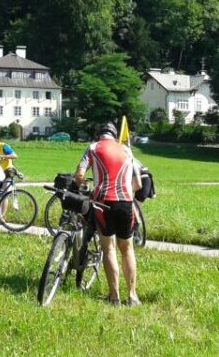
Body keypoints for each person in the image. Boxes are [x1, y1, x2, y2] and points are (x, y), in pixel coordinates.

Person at [74, 122, 142, 307]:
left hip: (103, 202)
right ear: (113, 135)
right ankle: (132, 295)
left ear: (98, 135)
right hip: (126, 202)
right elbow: (138, 184)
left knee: (109, 247)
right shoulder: (127, 150)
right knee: (127, 248)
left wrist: (81, 188)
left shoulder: (93, 147)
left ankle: (114, 296)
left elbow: (80, 174)